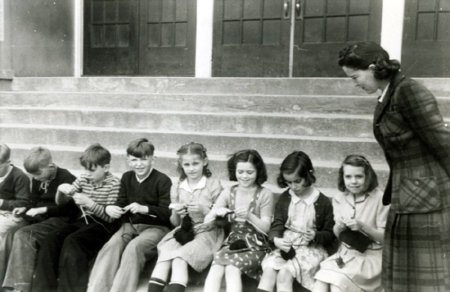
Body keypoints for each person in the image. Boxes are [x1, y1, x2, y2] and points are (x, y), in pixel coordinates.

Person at [337, 41, 450, 292]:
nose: (355, 84)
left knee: (424, 281)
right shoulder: (389, 94)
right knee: (406, 282)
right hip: (408, 195)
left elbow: (443, 143)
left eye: (355, 77)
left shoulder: (408, 91)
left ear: (373, 67)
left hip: (427, 199)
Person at [31, 143, 121, 292]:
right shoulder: (84, 178)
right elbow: (62, 202)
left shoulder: (114, 184)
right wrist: (61, 191)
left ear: (106, 168)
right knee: (52, 239)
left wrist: (89, 203)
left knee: (73, 242)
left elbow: (110, 218)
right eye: (85, 169)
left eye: (92, 170)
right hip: (82, 221)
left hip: (102, 226)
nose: (87, 173)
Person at [87, 138, 172, 292]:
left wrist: (144, 209)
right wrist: (110, 208)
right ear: (128, 160)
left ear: (153, 159)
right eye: (134, 160)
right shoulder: (127, 177)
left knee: (134, 248)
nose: (138, 164)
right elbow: (121, 202)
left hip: (156, 228)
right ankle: (96, 289)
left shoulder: (163, 180)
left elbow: (167, 213)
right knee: (112, 246)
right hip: (130, 226)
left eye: (144, 160)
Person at [147, 142, 223, 292]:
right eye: (187, 164)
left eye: (196, 163)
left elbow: (221, 220)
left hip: (207, 231)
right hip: (184, 231)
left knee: (180, 257)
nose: (191, 168)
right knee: (165, 256)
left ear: (204, 162)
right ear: (181, 165)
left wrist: (204, 209)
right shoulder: (177, 187)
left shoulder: (213, 185)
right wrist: (177, 213)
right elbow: (175, 223)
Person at [257, 151, 336, 292]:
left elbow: (330, 234)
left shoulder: (322, 202)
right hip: (287, 246)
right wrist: (275, 239)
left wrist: (315, 236)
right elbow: (277, 224)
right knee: (268, 271)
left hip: (310, 248)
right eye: (288, 182)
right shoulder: (286, 198)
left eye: (297, 181)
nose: (293, 186)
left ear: (308, 175)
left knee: (284, 274)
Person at [2, 147, 77, 292]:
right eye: (32, 175)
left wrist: (44, 209)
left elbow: (71, 209)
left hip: (60, 219)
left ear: (50, 166)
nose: (35, 178)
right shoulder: (38, 178)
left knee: (24, 235)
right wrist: (25, 208)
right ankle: (8, 282)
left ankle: (20, 287)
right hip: (42, 218)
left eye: (37, 174)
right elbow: (34, 200)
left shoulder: (66, 178)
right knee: (11, 230)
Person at [313, 155, 389, 292]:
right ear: (343, 177)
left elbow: (385, 238)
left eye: (359, 176)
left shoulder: (380, 198)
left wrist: (363, 226)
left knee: (337, 285)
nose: (353, 181)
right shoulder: (339, 198)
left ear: (368, 176)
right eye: (348, 177)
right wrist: (339, 227)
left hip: (370, 257)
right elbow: (338, 234)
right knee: (320, 282)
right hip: (345, 255)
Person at [203, 149, 275, 292]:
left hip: (256, 245)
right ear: (234, 171)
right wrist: (217, 212)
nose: (244, 176)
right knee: (216, 266)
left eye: (250, 172)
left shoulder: (265, 194)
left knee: (231, 268)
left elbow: (266, 228)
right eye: (240, 172)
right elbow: (206, 220)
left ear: (258, 172)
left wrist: (249, 216)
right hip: (232, 242)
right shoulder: (229, 192)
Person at [0, 144, 31, 285]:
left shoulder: (19, 177)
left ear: (8, 162)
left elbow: (23, 203)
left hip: (11, 215)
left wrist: (2, 203)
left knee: (2, 232)